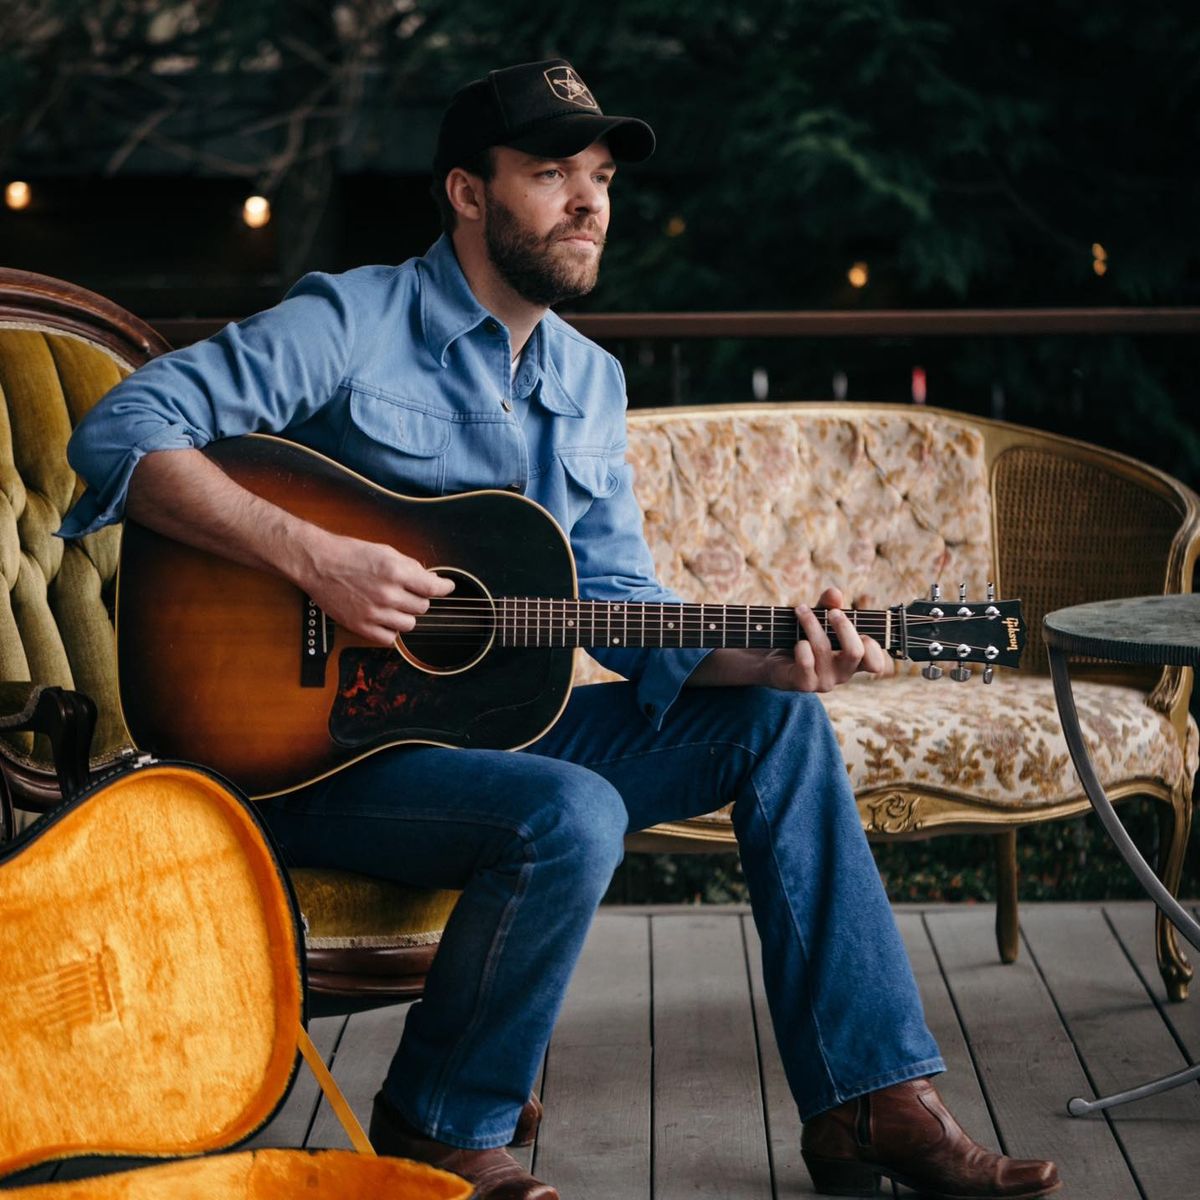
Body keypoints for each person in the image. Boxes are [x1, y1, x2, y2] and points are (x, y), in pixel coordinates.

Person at [60, 59, 1060, 1200]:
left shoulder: (589, 380)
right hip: (307, 753)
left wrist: (776, 651)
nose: (591, 203)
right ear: (468, 194)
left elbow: (627, 616)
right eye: (550, 174)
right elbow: (122, 430)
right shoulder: (351, 321)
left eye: (598, 178)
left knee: (776, 723)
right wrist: (317, 559)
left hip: (484, 743)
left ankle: (869, 1100)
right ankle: (438, 1122)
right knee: (571, 809)